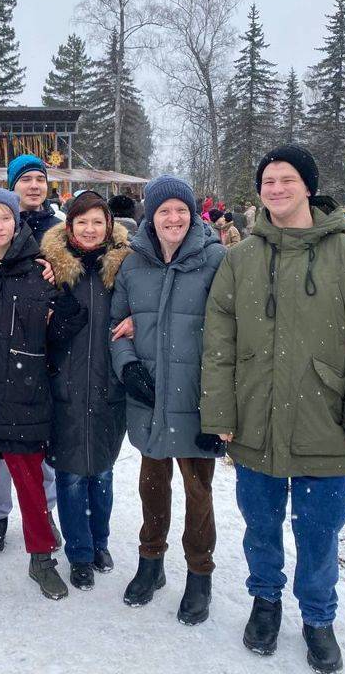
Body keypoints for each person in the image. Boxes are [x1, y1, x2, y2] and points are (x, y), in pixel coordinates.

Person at [200, 144, 345, 673]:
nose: (277, 188)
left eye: (287, 179)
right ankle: (265, 600)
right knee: (260, 525)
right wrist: (220, 414)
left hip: (323, 421)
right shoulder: (240, 259)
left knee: (319, 532)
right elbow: (218, 343)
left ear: (308, 187)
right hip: (255, 419)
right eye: (268, 181)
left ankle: (318, 617)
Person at [0, 188, 81, 604]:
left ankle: (42, 559)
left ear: (17, 221)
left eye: (6, 217)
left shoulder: (37, 269)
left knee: (32, 486)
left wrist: (61, 303)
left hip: (24, 394)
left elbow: (63, 330)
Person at [110, 175, 227, 625]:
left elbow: (230, 334)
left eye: (181, 210)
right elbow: (118, 324)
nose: (173, 218)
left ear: (192, 214)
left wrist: (220, 404)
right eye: (164, 211)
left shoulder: (216, 259)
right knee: (152, 485)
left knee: (198, 491)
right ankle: (151, 561)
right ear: (151, 216)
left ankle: (199, 572)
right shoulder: (133, 263)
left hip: (196, 398)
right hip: (150, 395)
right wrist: (128, 367)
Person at [42, 191, 131, 590]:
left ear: (109, 225)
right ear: (70, 225)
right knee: (71, 475)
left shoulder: (125, 266)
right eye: (83, 222)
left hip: (108, 386)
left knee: (103, 473)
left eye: (98, 222)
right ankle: (78, 552)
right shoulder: (52, 268)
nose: (91, 229)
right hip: (66, 385)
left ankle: (100, 542)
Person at [0, 153, 62, 554]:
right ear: (12, 185)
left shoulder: (60, 229)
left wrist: (57, 275)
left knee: (41, 438)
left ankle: (45, 511)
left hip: (43, 347)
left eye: (39, 178)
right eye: (25, 179)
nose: (34, 185)